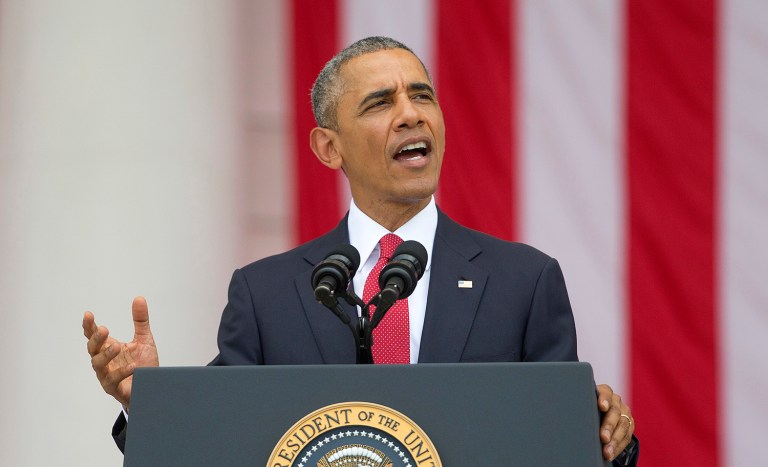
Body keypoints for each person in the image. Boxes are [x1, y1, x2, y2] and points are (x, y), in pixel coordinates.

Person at [83, 36, 638, 465]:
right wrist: (147, 401)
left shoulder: (523, 281)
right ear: (329, 147)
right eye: (380, 103)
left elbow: (565, 443)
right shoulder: (267, 293)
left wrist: (608, 432)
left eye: (422, 95)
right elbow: (221, 440)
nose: (411, 114)